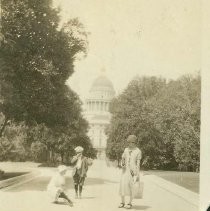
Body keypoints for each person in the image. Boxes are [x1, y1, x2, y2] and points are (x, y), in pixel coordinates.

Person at [118, 135, 142, 209]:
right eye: (128, 142)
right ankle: (122, 202)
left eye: (130, 142)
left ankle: (129, 203)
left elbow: (138, 164)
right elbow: (123, 158)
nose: (128, 144)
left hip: (133, 171)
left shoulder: (138, 151)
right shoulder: (126, 150)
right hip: (125, 170)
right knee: (122, 185)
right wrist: (122, 164)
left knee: (132, 186)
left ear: (134, 142)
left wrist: (137, 174)